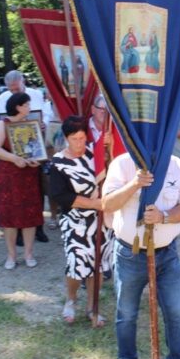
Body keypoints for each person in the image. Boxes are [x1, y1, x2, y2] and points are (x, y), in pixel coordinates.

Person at [103, 152, 180, 359]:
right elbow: (107, 204)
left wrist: (163, 216)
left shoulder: (179, 167)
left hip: (166, 254)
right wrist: (134, 184)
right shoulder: (122, 164)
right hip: (130, 253)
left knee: (175, 311)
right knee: (126, 313)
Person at [49, 116, 114, 325]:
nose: (80, 143)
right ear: (66, 138)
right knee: (77, 264)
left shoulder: (93, 155)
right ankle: (71, 299)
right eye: (75, 139)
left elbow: (109, 174)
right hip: (75, 220)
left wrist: (108, 148)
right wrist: (92, 203)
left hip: (100, 220)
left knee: (98, 265)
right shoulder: (59, 162)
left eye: (83, 138)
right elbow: (59, 195)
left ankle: (92, 307)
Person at [0, 70, 52, 243]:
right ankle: (16, 233)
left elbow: (45, 116)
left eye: (16, 88)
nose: (14, 91)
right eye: (11, 88)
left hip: (32, 156)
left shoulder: (35, 95)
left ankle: (37, 228)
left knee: (35, 194)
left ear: (22, 82)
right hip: (11, 159)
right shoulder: (2, 99)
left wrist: (41, 125)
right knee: (12, 201)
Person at [0, 92, 44, 269]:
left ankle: (29, 254)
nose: (29, 108)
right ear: (18, 106)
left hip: (28, 175)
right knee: (10, 216)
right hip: (10, 176)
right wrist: (15, 158)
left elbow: (36, 148)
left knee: (30, 215)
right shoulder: (3, 124)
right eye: (27, 105)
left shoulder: (31, 124)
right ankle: (11, 256)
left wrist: (37, 159)